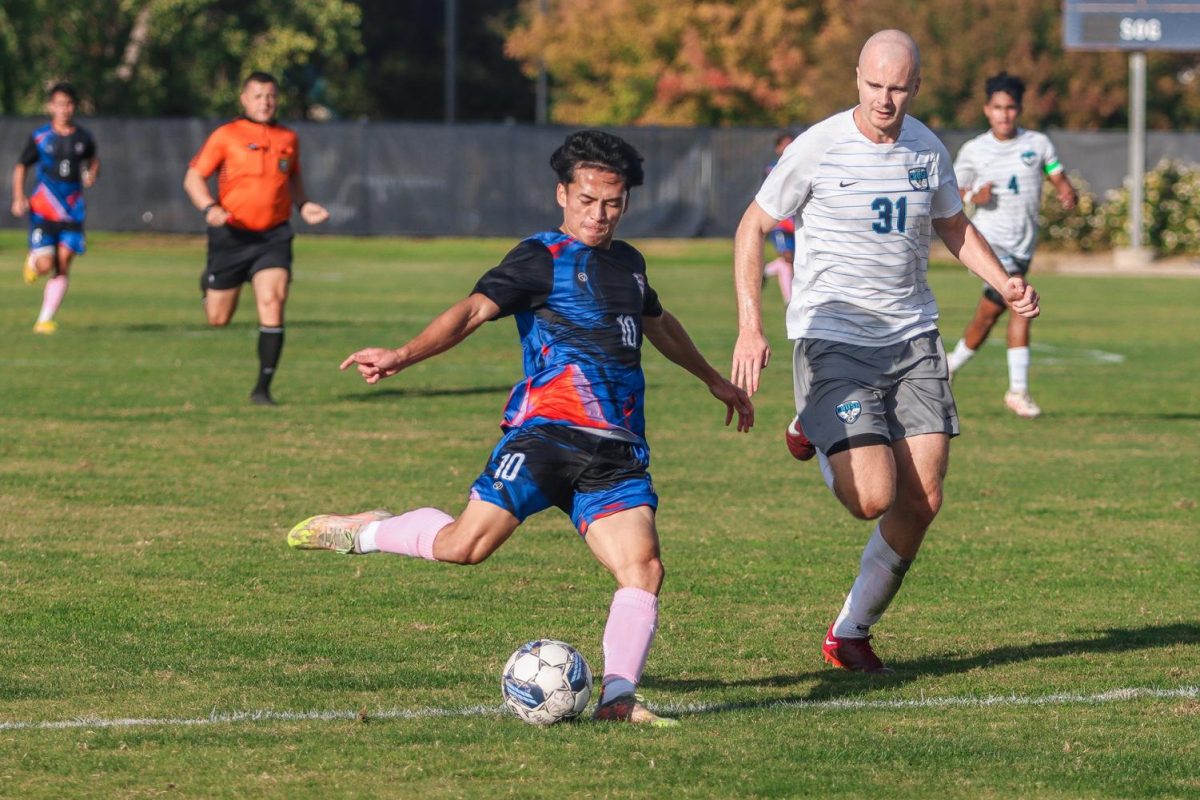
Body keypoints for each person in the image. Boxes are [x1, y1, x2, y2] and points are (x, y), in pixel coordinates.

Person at [287, 130, 754, 725]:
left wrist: (712, 378)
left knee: (644, 568)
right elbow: (472, 311)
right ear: (563, 195)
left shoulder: (629, 264)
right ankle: (368, 531)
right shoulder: (540, 258)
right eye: (586, 200)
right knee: (464, 547)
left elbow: (658, 322)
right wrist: (403, 354)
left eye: (611, 202)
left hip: (615, 453)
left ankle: (617, 699)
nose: (599, 214)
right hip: (547, 437)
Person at [731, 30, 1040, 673]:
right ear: (858, 79)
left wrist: (1001, 279)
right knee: (870, 497)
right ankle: (813, 424)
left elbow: (952, 224)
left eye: (898, 87)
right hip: (834, 340)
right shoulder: (816, 146)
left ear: (916, 86)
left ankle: (850, 632)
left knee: (923, 497)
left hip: (911, 338)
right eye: (874, 85)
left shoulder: (927, 149)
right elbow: (753, 226)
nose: (884, 99)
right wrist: (750, 326)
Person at [183, 71, 330, 405]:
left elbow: (293, 178)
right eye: (259, 95)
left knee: (273, 302)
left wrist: (304, 206)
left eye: (271, 96)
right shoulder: (226, 135)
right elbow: (193, 177)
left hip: (273, 236)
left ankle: (262, 389)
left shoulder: (288, 138)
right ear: (244, 99)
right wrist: (209, 208)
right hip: (231, 235)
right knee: (218, 319)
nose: (266, 102)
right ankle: (209, 284)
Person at [946, 72, 1077, 419]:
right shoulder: (974, 150)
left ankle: (949, 365)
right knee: (1022, 302)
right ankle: (1017, 390)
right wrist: (975, 195)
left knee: (989, 314)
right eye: (998, 108)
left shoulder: (1038, 144)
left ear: (1019, 110)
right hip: (989, 244)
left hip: (1023, 245)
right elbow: (951, 193)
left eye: (1011, 108)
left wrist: (1066, 190)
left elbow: (1055, 171)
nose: (1004, 114)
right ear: (987, 110)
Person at [11, 82, 99, 334]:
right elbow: (21, 166)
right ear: (51, 107)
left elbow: (93, 162)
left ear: (74, 107)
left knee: (64, 262)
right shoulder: (40, 137)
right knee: (45, 265)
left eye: (69, 104)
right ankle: (33, 261)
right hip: (44, 209)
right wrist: (19, 196)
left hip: (72, 211)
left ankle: (45, 319)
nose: (64, 109)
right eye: (60, 104)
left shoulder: (84, 138)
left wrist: (92, 173)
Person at [762, 131, 797, 304]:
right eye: (784, 144)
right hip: (781, 223)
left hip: (796, 222)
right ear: (778, 149)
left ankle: (766, 271)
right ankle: (789, 301)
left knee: (795, 261)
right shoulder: (773, 169)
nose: (788, 147)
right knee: (788, 258)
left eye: (791, 143)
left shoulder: (800, 166)